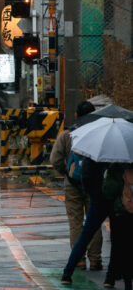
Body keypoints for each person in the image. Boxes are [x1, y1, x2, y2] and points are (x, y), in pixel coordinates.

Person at [49, 100, 103, 272]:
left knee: (76, 222)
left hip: (72, 184)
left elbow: (55, 159)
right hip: (93, 183)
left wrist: (66, 172)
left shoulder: (67, 135)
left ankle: (78, 260)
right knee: (94, 221)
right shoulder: (99, 135)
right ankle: (95, 260)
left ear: (76, 115)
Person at [61, 155, 112, 285]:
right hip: (115, 201)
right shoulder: (118, 158)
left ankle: (69, 271)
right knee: (118, 240)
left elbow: (55, 158)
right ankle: (106, 273)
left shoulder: (90, 153)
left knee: (82, 231)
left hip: (95, 199)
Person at [102, 163, 133, 290]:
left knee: (122, 248)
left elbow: (108, 192)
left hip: (122, 214)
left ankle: (127, 287)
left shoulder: (116, 167)